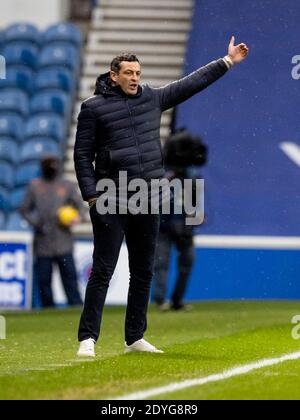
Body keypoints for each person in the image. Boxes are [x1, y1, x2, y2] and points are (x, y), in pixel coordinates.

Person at [74, 37, 249, 357]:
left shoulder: (151, 98)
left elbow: (190, 84)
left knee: (144, 271)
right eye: (128, 73)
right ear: (113, 75)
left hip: (148, 197)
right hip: (111, 197)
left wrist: (225, 62)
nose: (135, 78)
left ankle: (135, 338)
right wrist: (91, 195)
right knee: (103, 270)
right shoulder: (93, 108)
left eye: (138, 72)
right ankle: (88, 338)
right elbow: (82, 156)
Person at [153, 129, 207, 311]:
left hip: (183, 225)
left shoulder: (190, 174)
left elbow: (196, 196)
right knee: (162, 263)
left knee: (186, 262)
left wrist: (198, 213)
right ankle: (161, 300)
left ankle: (176, 300)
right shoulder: (163, 173)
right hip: (165, 224)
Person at [21, 155, 84, 308]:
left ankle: (75, 307)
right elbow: (24, 210)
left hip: (63, 241)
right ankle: (47, 308)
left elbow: (79, 207)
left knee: (70, 278)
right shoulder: (35, 186)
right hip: (43, 242)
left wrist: (76, 218)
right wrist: (37, 223)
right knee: (44, 280)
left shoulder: (66, 185)